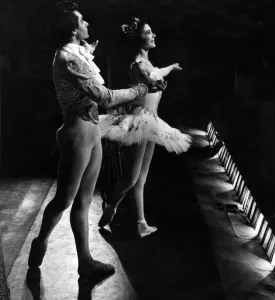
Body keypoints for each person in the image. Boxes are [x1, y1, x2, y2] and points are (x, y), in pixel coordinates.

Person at [27, 2, 162, 282]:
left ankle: (85, 263)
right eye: (82, 20)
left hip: (89, 130)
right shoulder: (68, 58)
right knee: (65, 199)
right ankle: (40, 241)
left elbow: (89, 80)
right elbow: (104, 98)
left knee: (85, 201)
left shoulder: (77, 54)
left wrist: (88, 53)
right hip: (77, 133)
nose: (87, 23)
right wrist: (138, 89)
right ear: (72, 29)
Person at [98, 17, 192, 238]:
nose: (154, 35)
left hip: (152, 121)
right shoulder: (139, 65)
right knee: (131, 178)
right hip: (139, 121)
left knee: (142, 178)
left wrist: (172, 67)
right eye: (149, 32)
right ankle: (111, 207)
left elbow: (159, 72)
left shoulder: (147, 64)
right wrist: (157, 81)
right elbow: (152, 80)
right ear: (139, 38)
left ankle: (141, 223)